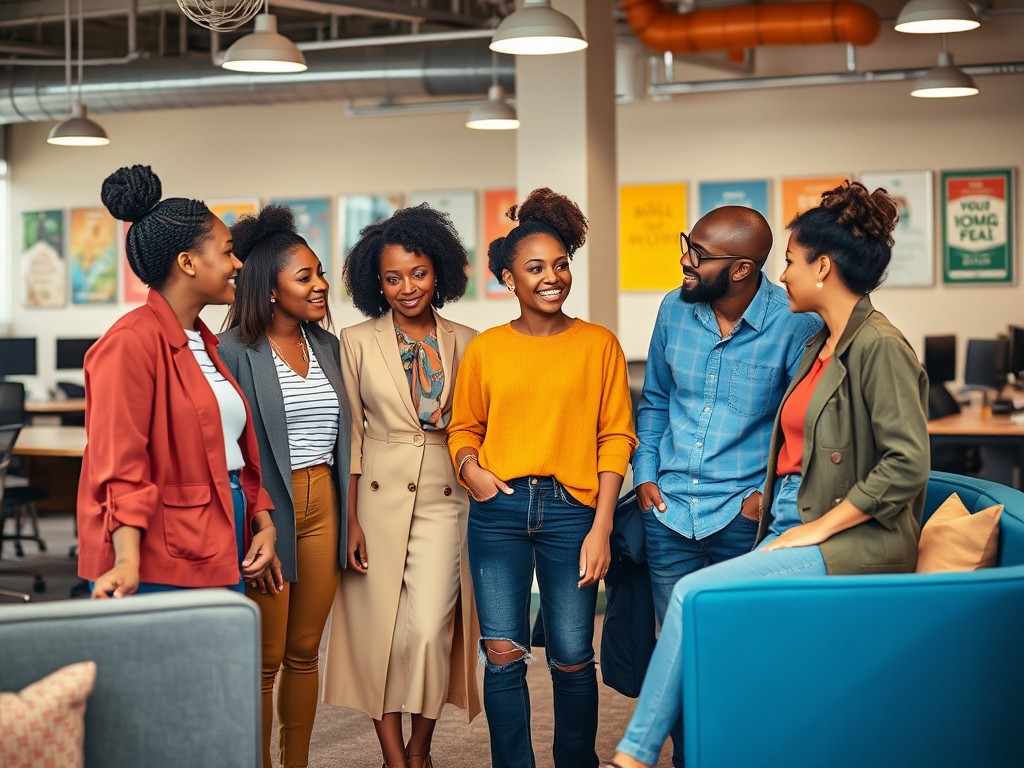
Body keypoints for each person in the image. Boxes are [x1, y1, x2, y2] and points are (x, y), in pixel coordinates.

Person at [603, 181, 930, 768]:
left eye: (791, 261)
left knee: (705, 612)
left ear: (820, 266)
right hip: (704, 511)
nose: (785, 275)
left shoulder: (866, 342)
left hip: (787, 527)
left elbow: (904, 462)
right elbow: (796, 440)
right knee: (698, 627)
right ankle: (679, 755)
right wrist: (647, 475)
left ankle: (634, 756)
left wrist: (807, 522)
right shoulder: (827, 342)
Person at [448, 188, 638, 768]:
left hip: (573, 513)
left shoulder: (599, 344)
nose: (552, 277)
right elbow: (463, 429)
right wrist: (471, 471)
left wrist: (602, 526)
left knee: (573, 654)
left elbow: (616, 439)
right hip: (498, 511)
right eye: (535, 268)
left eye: (560, 265)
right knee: (503, 654)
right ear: (510, 278)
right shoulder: (486, 349)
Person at [632, 205, 822, 766]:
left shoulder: (796, 323)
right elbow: (657, 400)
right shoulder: (674, 308)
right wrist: (646, 476)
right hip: (668, 512)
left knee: (741, 651)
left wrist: (763, 502)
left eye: (699, 254)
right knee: (678, 656)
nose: (685, 261)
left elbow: (802, 424)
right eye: (686, 245)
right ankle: (688, 757)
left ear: (741, 269)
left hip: (741, 518)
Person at [322, 204, 480, 768]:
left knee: (432, 629)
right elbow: (352, 433)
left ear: (439, 272)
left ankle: (421, 748)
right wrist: (351, 519)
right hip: (374, 498)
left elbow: (475, 427)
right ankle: (395, 757)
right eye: (392, 278)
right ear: (375, 283)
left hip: (446, 495)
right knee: (379, 634)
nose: (407, 287)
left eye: (417, 273)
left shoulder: (470, 339)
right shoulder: (355, 340)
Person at [78, 165, 277, 598]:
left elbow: (228, 448)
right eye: (226, 251)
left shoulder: (203, 343)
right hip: (160, 551)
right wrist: (128, 560)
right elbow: (119, 464)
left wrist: (261, 520)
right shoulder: (130, 343)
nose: (237, 263)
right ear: (188, 262)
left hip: (222, 531)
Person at [218, 206, 352, 768]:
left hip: (323, 500)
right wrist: (256, 519)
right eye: (305, 277)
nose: (320, 284)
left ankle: (294, 761)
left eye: (319, 272)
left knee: (303, 651)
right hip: (266, 510)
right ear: (269, 289)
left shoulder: (330, 347)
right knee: (265, 655)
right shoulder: (233, 353)